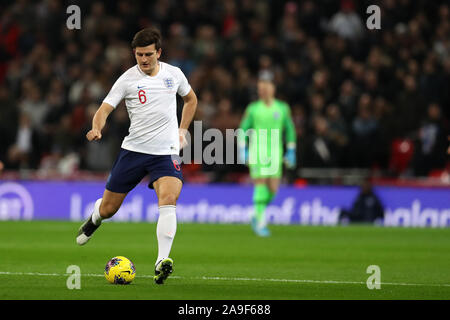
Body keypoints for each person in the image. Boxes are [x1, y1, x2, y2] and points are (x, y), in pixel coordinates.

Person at [76, 27, 198, 285]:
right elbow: (104, 109)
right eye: (139, 55)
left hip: (165, 153)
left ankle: (161, 261)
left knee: (168, 198)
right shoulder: (127, 79)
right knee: (110, 209)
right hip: (134, 151)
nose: (143, 60)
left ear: (159, 52)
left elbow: (191, 100)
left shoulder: (174, 75)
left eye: (149, 55)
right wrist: (97, 127)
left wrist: (182, 130)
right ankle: (96, 217)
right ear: (134, 53)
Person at [238, 70, 296, 236]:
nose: (262, 90)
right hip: (258, 150)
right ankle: (260, 222)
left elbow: (290, 130)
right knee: (261, 184)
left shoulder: (283, 108)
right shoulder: (253, 109)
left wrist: (291, 150)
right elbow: (242, 129)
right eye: (260, 87)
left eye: (265, 86)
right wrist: (244, 149)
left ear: (273, 88)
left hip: (275, 153)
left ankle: (257, 214)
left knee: (273, 189)